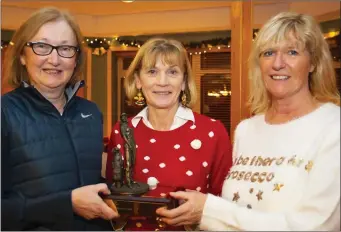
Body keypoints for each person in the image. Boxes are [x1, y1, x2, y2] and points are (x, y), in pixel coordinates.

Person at [156, 12, 340, 231]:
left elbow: (316, 226)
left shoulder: (333, 126)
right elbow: (237, 211)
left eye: (292, 52)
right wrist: (194, 214)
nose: (278, 63)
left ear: (313, 63)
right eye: (268, 53)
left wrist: (210, 211)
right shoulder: (247, 129)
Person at [1, 7, 118, 230]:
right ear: (23, 56)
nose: (54, 59)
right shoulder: (4, 113)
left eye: (65, 48)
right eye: (42, 46)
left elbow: (90, 183)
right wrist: (67, 204)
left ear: (76, 59)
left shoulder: (91, 112)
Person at [105, 37, 233, 230]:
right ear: (138, 80)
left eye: (172, 72)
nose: (162, 82)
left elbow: (226, 206)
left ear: (183, 82)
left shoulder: (212, 132)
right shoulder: (122, 131)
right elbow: (114, 199)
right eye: (152, 72)